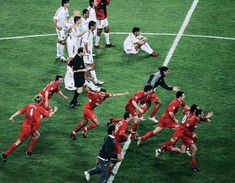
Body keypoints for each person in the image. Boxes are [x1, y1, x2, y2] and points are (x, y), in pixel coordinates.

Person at [1, 95, 58, 162]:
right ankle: (5, 154)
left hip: (29, 126)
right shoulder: (40, 108)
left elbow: (20, 111)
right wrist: (55, 111)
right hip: (27, 128)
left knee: (37, 135)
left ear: (34, 100)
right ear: (40, 102)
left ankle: (29, 151)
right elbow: (49, 115)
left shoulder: (28, 105)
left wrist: (12, 117)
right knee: (18, 142)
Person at [83, 20, 104, 85]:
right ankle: (95, 81)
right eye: (95, 25)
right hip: (87, 53)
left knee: (86, 66)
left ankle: (88, 79)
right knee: (91, 66)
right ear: (92, 26)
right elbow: (85, 43)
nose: (96, 27)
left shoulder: (91, 32)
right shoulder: (88, 33)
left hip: (88, 52)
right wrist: (86, 51)